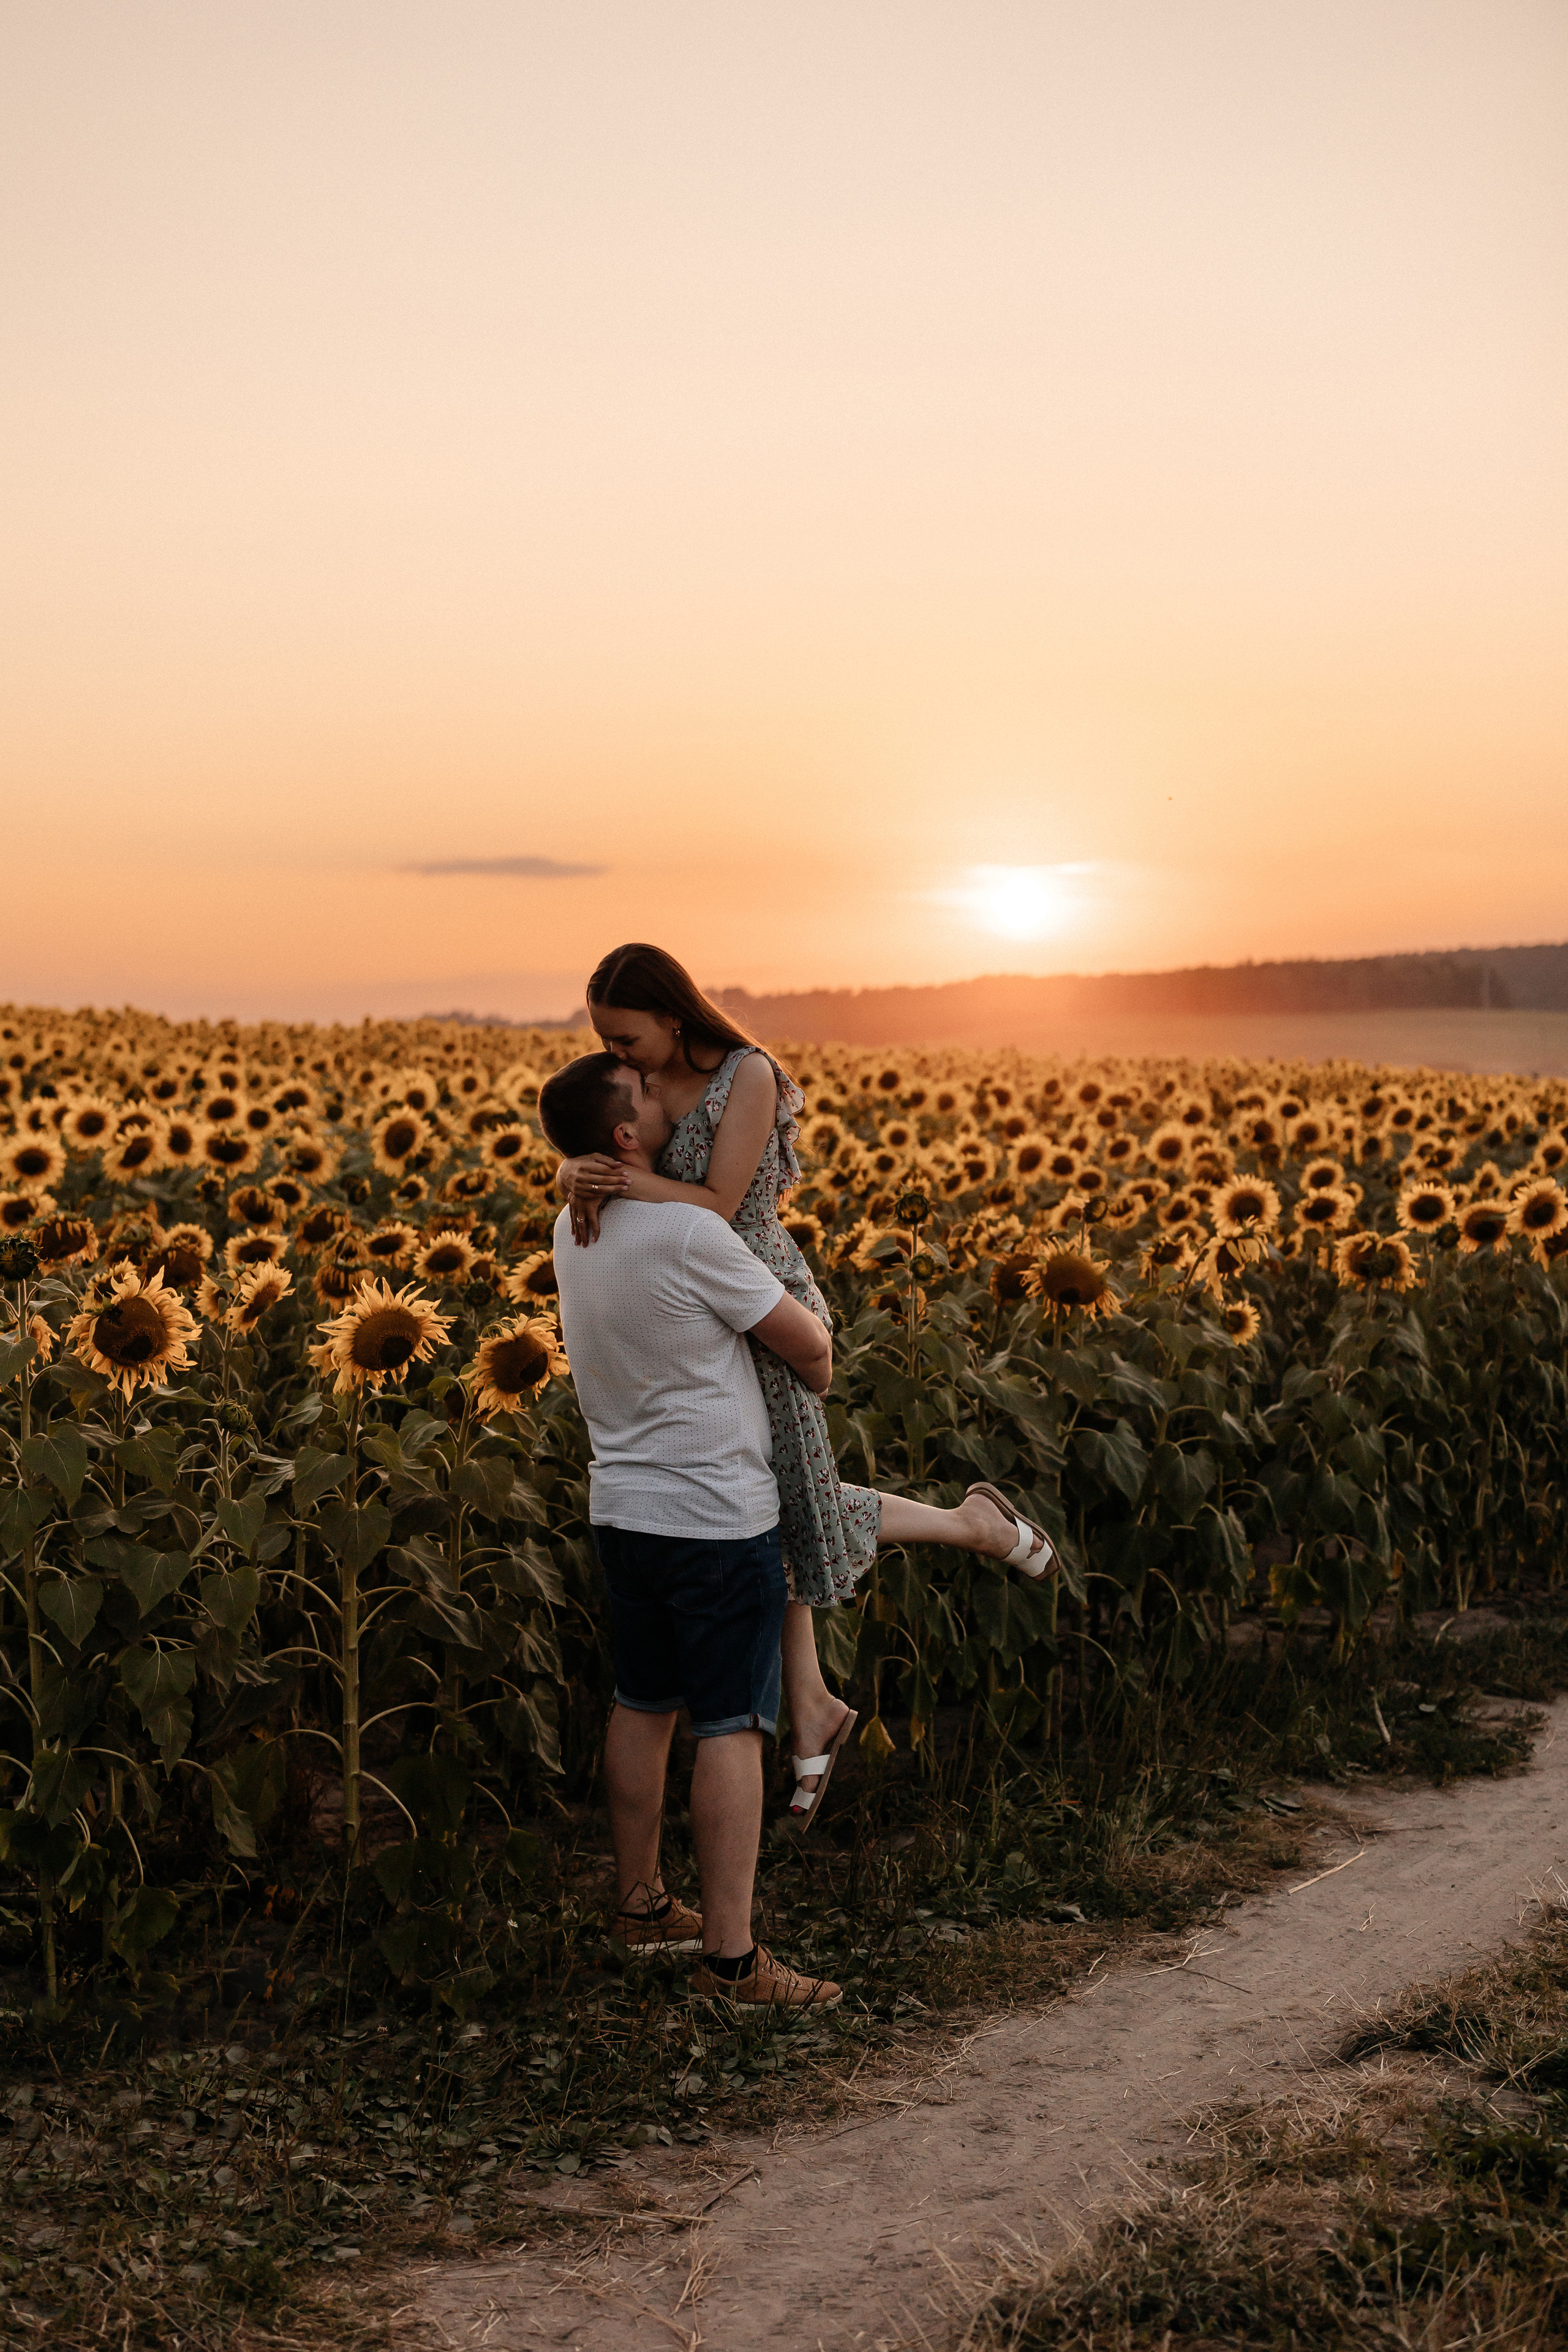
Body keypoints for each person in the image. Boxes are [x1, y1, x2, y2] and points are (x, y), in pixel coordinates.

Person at [554, 941, 1055, 1828]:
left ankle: (973, 1529)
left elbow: (717, 1201)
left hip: (755, 1290)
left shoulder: (746, 1074)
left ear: (672, 1015)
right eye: (608, 1043)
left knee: (788, 1496)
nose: (618, 1057)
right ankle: (816, 1696)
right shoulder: (641, 1089)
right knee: (768, 1502)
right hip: (686, 1299)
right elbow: (609, 1145)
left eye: (626, 1037)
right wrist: (574, 1168)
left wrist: (620, 1177)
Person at [540, 1047, 842, 2008]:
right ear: (626, 1136)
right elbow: (815, 1355)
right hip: (716, 1516)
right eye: (642, 1092)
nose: (662, 1090)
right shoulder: (688, 1235)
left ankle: (638, 1905)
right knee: (731, 1728)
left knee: (642, 1704)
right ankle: (732, 1962)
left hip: (623, 1510)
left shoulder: (570, 1225)